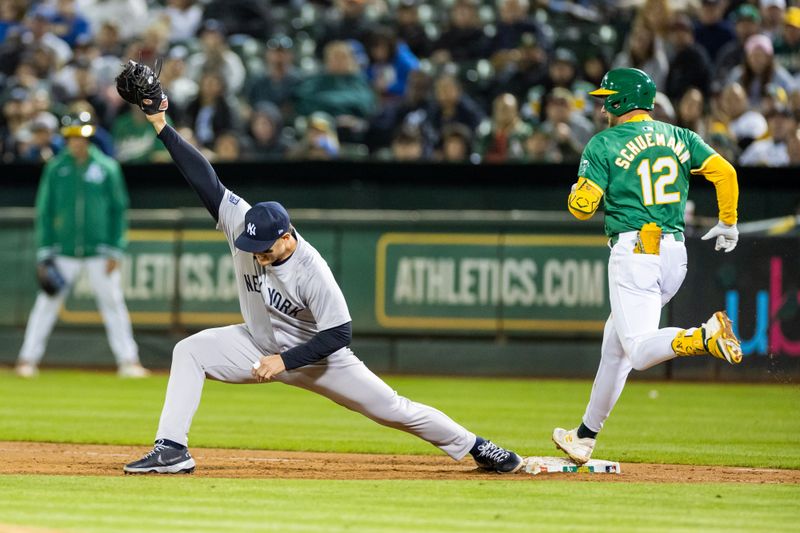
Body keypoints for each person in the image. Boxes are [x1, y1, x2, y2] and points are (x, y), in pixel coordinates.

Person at [121, 71, 524, 475]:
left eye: (263, 249)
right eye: (251, 247)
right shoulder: (243, 221)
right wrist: (160, 123)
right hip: (255, 342)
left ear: (286, 237)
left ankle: (478, 446)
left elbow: (339, 333)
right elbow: (204, 178)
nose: (255, 254)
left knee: (393, 409)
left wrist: (284, 361)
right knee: (189, 350)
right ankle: (172, 448)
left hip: (319, 358)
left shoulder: (311, 269)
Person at [552, 68, 743, 465]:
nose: (603, 106)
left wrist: (576, 194)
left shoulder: (603, 143)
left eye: (608, 98)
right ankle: (584, 437)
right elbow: (725, 172)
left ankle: (706, 335)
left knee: (636, 350)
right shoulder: (680, 136)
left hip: (636, 250)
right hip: (675, 253)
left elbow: (582, 208)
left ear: (621, 101)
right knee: (616, 349)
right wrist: (728, 220)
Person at [15, 112, 148, 379]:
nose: (77, 142)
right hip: (63, 251)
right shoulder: (55, 168)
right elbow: (45, 210)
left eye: (81, 136)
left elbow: (119, 210)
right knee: (46, 304)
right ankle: (27, 359)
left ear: (90, 136)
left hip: (100, 250)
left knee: (113, 303)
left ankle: (128, 360)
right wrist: (45, 252)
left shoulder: (107, 167)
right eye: (72, 136)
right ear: (66, 138)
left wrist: (115, 248)